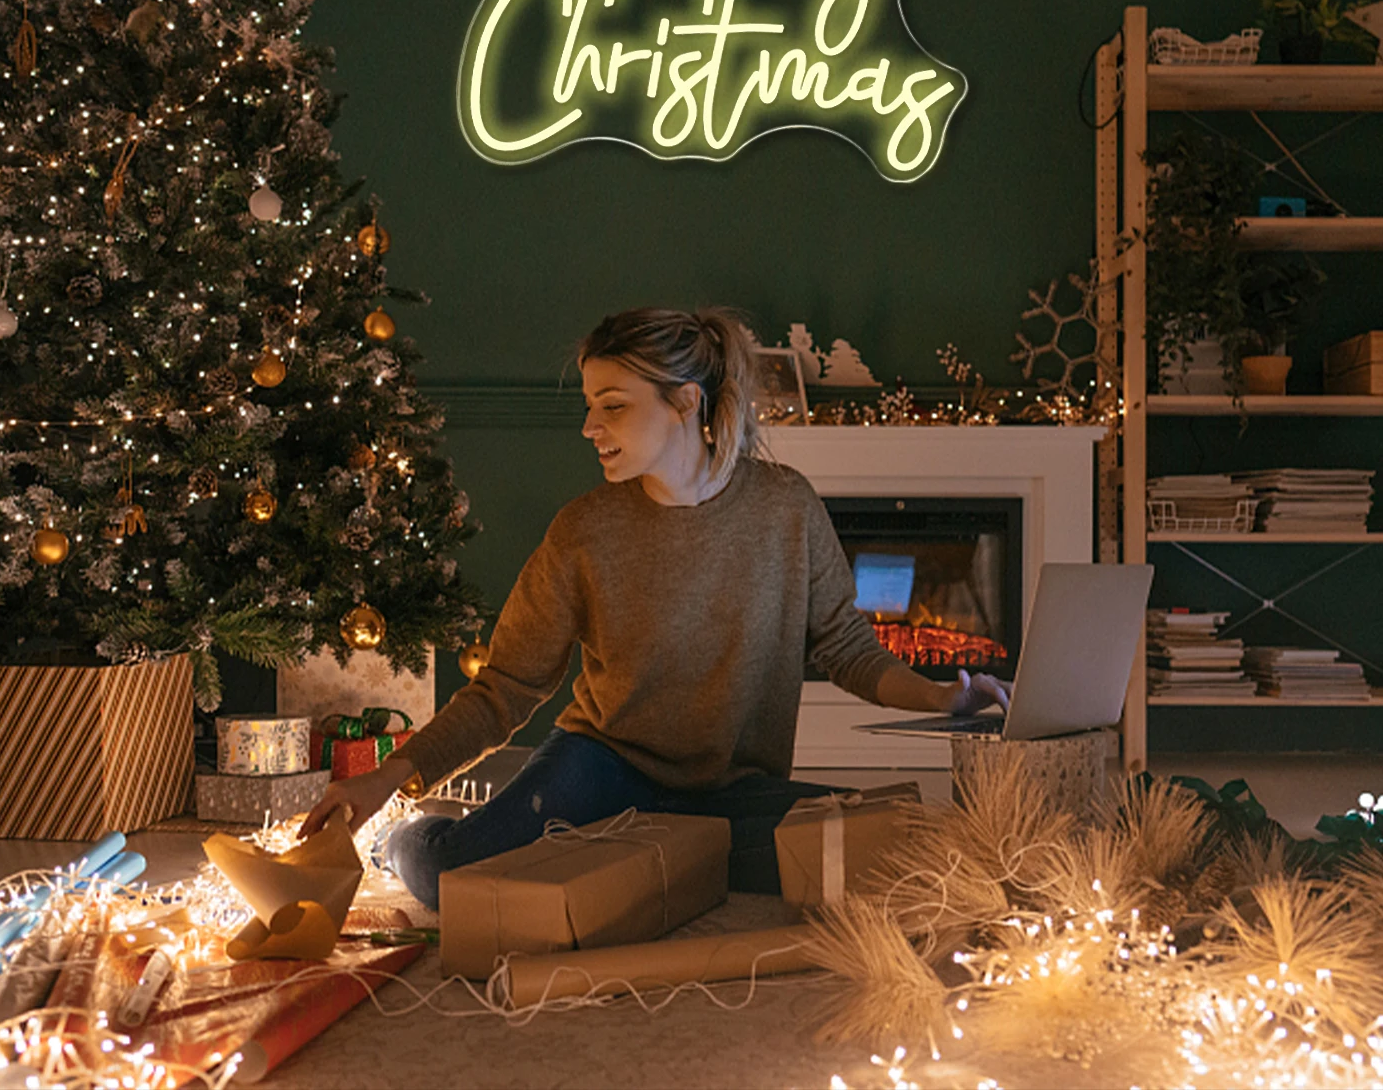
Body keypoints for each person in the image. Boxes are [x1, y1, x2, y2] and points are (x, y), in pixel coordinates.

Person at [300, 307, 1009, 907]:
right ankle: (407, 838)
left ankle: (640, 853)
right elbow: (505, 689)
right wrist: (385, 782)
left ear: (686, 403)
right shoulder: (584, 530)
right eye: (590, 405)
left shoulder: (785, 506)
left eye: (613, 405)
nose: (590, 427)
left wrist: (939, 696)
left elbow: (846, 648)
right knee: (462, 879)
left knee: (884, 856)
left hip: (734, 791)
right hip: (600, 770)